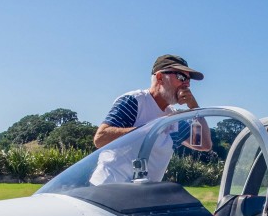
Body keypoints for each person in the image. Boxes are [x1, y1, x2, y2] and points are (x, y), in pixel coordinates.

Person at [90, 54, 212, 184]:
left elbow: (203, 144)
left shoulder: (173, 118)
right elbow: (101, 138)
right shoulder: (135, 101)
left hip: (139, 197)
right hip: (106, 190)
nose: (186, 84)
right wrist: (153, 128)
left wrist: (194, 108)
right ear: (160, 77)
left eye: (188, 80)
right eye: (181, 77)